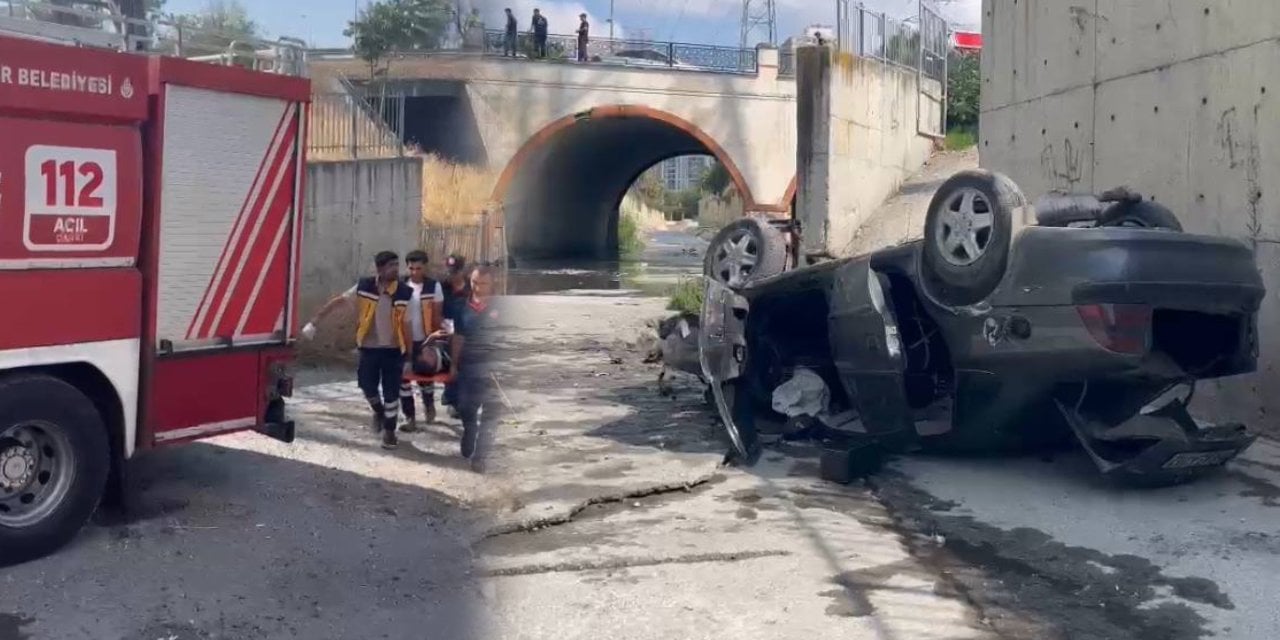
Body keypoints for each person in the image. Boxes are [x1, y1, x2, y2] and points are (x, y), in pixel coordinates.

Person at [303, 251, 413, 450]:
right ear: (380, 269)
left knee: (392, 392)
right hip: (369, 349)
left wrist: (409, 357)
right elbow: (339, 302)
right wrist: (315, 322)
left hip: (394, 351)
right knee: (366, 386)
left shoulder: (405, 292)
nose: (396, 269)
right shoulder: (364, 287)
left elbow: (408, 326)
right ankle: (378, 410)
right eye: (391, 265)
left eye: (397, 265)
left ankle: (389, 431)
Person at [442, 265, 502, 472]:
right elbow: (458, 337)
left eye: (483, 283)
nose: (478, 287)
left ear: (492, 283)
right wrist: (453, 365)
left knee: (491, 415)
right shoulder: (461, 307)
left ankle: (481, 457)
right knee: (467, 408)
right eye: (475, 282)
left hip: (496, 368)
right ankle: (469, 431)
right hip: (469, 366)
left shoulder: (503, 307)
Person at [399, 250, 445, 433]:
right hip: (403, 340)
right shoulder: (400, 286)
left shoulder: (434, 287)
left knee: (424, 378)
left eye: (418, 268)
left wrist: (433, 344)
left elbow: (436, 316)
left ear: (425, 267)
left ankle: (428, 404)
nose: (415, 272)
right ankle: (409, 417)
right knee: (403, 378)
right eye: (411, 268)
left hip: (425, 339)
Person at [440, 254, 471, 416]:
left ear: (462, 270)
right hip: (447, 330)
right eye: (449, 271)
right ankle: (452, 399)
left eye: (455, 271)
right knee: (450, 362)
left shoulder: (471, 288)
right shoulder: (441, 287)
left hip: (468, 331)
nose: (451, 275)